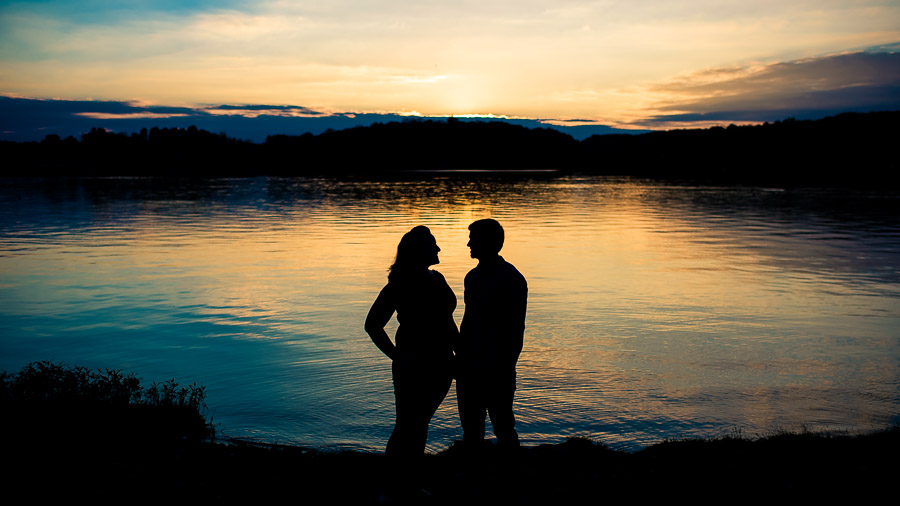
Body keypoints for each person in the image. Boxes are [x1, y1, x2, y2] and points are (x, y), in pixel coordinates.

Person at [364, 226, 458, 463]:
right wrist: (397, 356)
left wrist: (461, 355)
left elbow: (447, 322)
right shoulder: (400, 283)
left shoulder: (437, 278)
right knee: (408, 425)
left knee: (419, 422)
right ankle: (394, 484)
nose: (438, 248)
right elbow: (372, 325)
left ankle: (409, 480)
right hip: (413, 364)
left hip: (442, 363)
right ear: (418, 251)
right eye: (432, 244)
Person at [456, 218, 527, 450]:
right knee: (471, 427)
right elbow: (469, 320)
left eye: (473, 239)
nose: (468, 245)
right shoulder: (472, 277)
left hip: (498, 364)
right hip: (469, 362)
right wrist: (461, 354)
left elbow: (516, 327)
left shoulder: (511, 278)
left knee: (503, 424)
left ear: (489, 242)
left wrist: (507, 363)